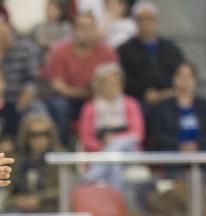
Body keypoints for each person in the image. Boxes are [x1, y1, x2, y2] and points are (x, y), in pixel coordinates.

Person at [42, 11, 118, 145]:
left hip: (98, 98)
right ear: (73, 30)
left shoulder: (107, 52)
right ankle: (61, 148)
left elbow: (115, 80)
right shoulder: (59, 51)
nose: (86, 32)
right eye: (82, 27)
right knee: (60, 106)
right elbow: (58, 85)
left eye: (90, 28)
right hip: (69, 100)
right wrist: (82, 93)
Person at [78, 62, 144, 188]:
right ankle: (116, 194)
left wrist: (114, 140)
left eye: (114, 83)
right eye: (107, 84)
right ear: (98, 85)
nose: (111, 87)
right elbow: (86, 139)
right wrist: (105, 145)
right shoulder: (90, 108)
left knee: (119, 145)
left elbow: (137, 134)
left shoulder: (131, 104)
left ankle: (93, 175)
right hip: (100, 152)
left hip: (129, 152)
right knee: (114, 157)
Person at [116, 0, 185, 109]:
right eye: (141, 19)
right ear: (135, 22)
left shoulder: (171, 49)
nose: (146, 23)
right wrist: (144, 93)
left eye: (150, 18)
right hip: (137, 102)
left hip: (170, 99)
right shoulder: (124, 50)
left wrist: (167, 93)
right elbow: (122, 80)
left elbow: (181, 72)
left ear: (157, 20)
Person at [146, 61, 206, 152]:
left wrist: (196, 146)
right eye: (181, 76)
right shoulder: (162, 106)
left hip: (201, 153)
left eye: (188, 77)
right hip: (171, 154)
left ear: (195, 80)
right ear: (174, 79)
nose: (184, 81)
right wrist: (180, 146)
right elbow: (157, 135)